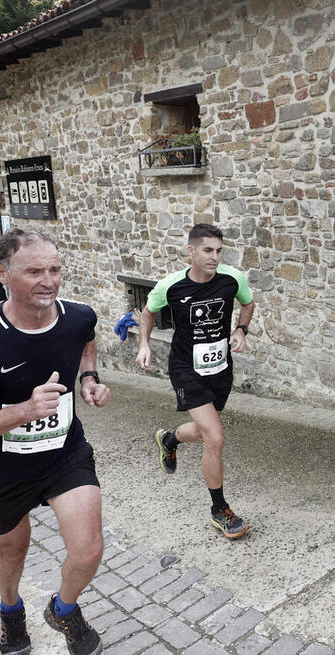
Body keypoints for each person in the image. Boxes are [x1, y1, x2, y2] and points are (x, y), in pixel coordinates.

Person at [0, 228, 111, 655]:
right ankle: (11, 609)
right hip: (1, 470)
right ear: (1, 273)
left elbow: (87, 340)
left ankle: (64, 609)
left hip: (65, 456)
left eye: (54, 270)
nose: (48, 281)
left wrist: (88, 378)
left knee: (89, 550)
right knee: (11, 552)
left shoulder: (78, 315)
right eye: (34, 271)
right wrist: (22, 411)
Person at [136, 223, 255, 540]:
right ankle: (220, 510)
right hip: (185, 369)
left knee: (205, 431)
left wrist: (241, 330)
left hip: (220, 368)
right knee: (215, 437)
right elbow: (148, 312)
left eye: (218, 250)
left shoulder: (233, 279)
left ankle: (170, 440)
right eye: (207, 250)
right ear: (191, 251)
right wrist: (144, 344)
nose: (214, 257)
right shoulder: (170, 286)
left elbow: (248, 303)